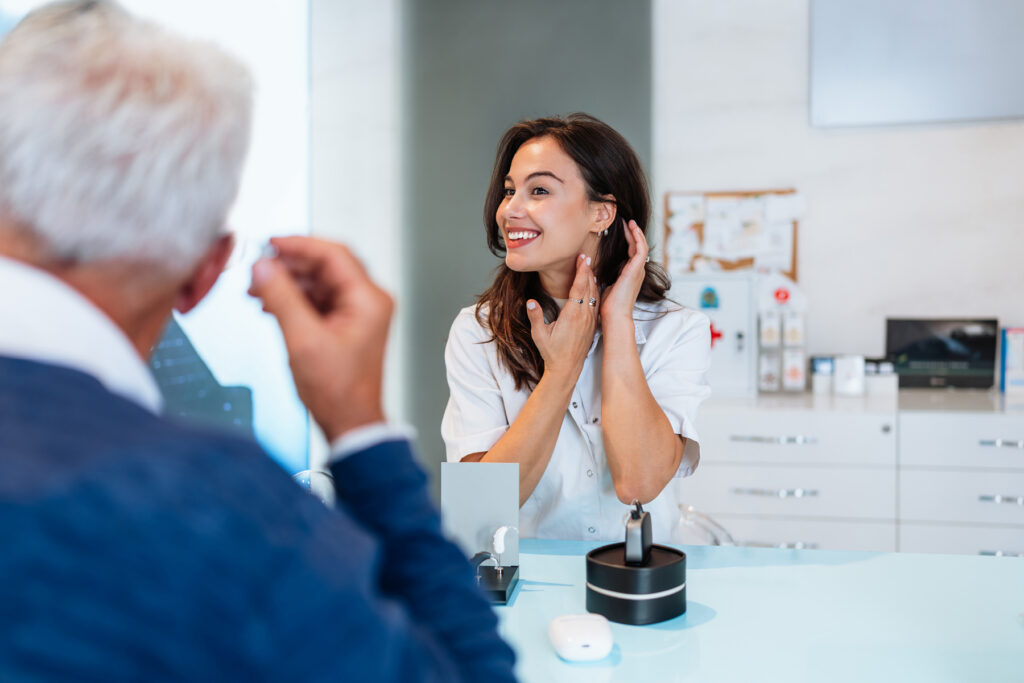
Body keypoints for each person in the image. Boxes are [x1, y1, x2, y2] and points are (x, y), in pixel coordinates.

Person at [0, 2, 515, 680]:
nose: (515, 211)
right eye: (511, 189)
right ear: (206, 270)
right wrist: (361, 429)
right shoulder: (219, 516)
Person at [441, 114, 711, 542]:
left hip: (636, 586)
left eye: (539, 191)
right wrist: (561, 372)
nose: (509, 209)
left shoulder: (676, 331)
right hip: (527, 585)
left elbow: (638, 484)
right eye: (510, 190)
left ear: (601, 213)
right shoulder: (477, 332)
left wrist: (617, 321)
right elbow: (479, 508)